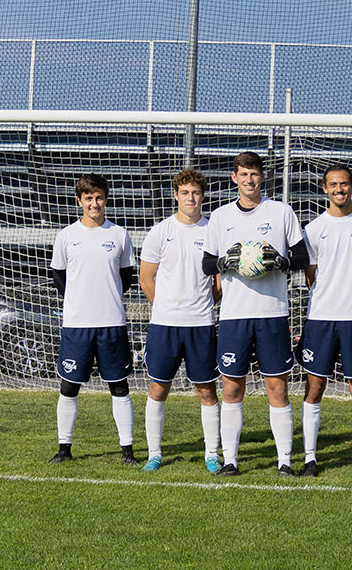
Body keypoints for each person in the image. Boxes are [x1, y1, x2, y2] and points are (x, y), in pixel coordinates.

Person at [202, 151, 309, 477]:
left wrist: (280, 262)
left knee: (277, 387)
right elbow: (207, 264)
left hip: (272, 314)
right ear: (234, 178)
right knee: (232, 388)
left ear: (262, 177)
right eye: (243, 174)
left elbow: (302, 257)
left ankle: (285, 462)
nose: (249, 180)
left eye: (254, 174)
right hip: (234, 316)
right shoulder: (221, 217)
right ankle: (231, 461)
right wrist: (225, 263)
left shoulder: (281, 212)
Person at [298, 163, 352, 478]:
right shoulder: (313, 228)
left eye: (344, 184)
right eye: (333, 185)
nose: (339, 189)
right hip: (321, 318)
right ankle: (310, 459)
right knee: (314, 387)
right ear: (325, 188)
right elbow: (311, 275)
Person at [48, 173, 137, 466]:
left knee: (119, 387)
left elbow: (127, 276)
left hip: (112, 323)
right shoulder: (66, 236)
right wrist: (79, 300)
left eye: (98, 198)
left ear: (105, 199)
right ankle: (64, 449)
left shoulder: (119, 235)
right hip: (76, 325)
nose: (94, 203)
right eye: (88, 198)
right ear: (79, 201)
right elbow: (59, 276)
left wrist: (104, 297)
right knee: (69, 386)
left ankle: (127, 451)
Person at [138, 168, 223, 474]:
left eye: (196, 193)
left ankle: (212, 453)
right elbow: (146, 278)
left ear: (203, 196)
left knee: (206, 390)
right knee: (158, 388)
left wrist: (200, 305)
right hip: (165, 325)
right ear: (176, 195)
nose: (191, 198)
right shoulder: (160, 231)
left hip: (200, 324)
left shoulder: (213, 231)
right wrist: (165, 307)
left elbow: (219, 281)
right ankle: (154, 453)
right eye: (185, 193)